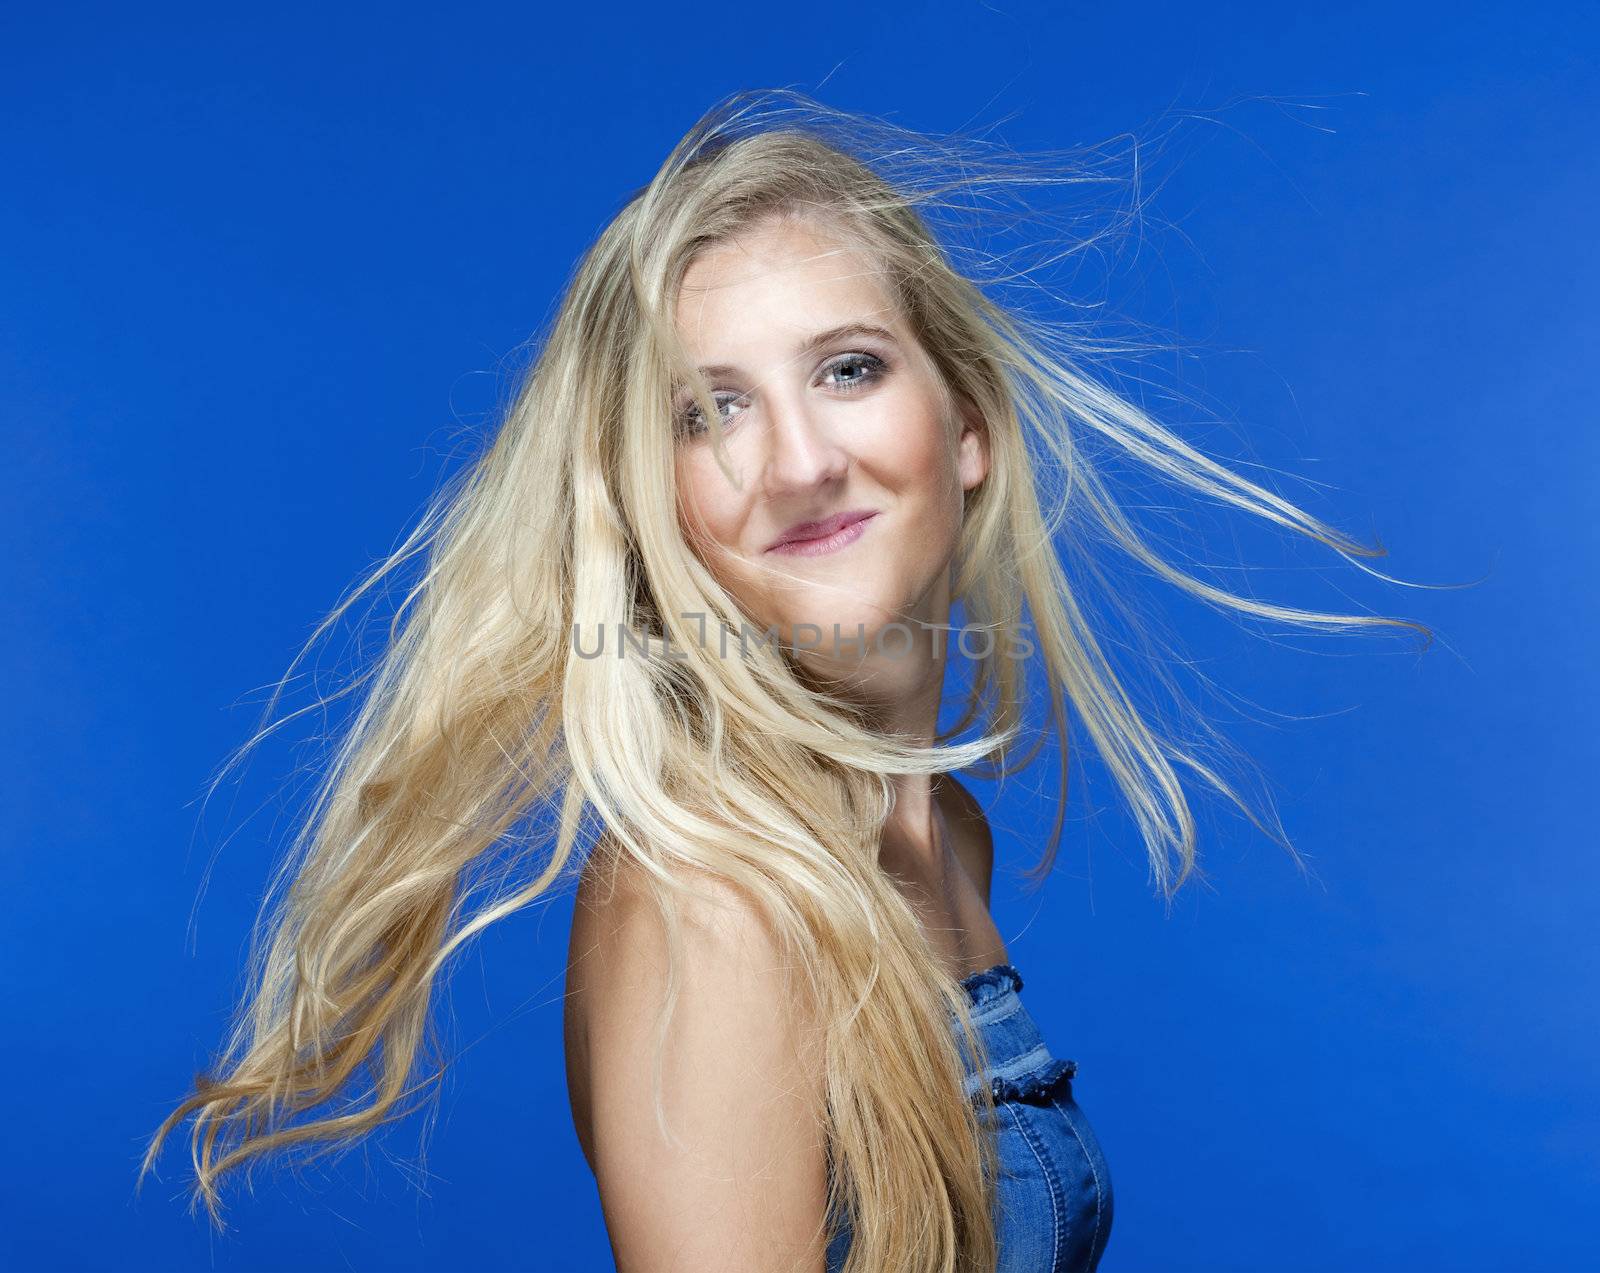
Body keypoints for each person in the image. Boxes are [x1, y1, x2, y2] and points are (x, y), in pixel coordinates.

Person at [139, 89, 1424, 1272]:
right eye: (710, 411)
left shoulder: (944, 839)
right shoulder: (717, 896)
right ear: (656, 505)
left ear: (966, 425)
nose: (799, 462)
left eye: (847, 368)